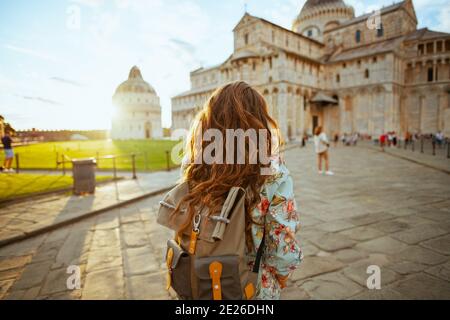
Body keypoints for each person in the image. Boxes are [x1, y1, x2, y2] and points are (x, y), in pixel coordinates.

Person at [169, 81, 302, 300]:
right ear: (258, 121)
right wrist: (282, 275)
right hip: (250, 287)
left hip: (199, 282)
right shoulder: (272, 172)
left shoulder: (194, 165)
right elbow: (282, 246)